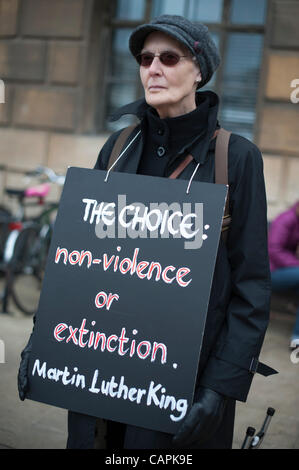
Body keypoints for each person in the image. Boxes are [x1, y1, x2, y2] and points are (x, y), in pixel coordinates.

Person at [18, 15, 277, 449]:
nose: (153, 68)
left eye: (169, 57)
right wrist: (40, 341)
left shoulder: (236, 159)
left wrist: (220, 387)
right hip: (98, 377)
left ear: (199, 70)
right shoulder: (118, 149)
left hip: (184, 388)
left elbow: (252, 287)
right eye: (145, 58)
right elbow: (76, 264)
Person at [268, 201, 299, 349]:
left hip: (287, 271)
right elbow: (274, 250)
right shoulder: (286, 219)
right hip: (270, 271)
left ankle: (296, 340)